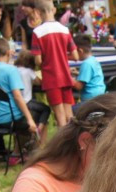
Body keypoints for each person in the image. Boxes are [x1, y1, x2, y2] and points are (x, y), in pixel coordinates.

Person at [0, 37, 39, 160]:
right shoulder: (11, 70)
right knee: (38, 115)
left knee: (28, 114)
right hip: (9, 119)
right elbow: (17, 96)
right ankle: (29, 154)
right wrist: (30, 119)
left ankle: (20, 150)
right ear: (8, 52)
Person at [31, 0, 78, 128]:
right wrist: (61, 56)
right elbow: (75, 56)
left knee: (60, 116)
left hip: (51, 78)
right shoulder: (65, 30)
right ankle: (74, 143)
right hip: (65, 76)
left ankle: (64, 146)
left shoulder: (37, 32)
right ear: (54, 10)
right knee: (69, 115)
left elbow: (38, 60)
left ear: (37, 12)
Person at [15, 50, 51, 143]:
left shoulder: (14, 70)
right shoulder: (29, 71)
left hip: (15, 103)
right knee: (46, 109)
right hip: (26, 102)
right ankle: (39, 128)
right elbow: (39, 82)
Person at [73, 36, 105, 101]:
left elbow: (79, 86)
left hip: (90, 100)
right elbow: (92, 76)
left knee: (71, 110)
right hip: (100, 95)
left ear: (80, 50)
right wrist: (77, 73)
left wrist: (66, 76)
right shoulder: (93, 60)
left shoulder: (86, 64)